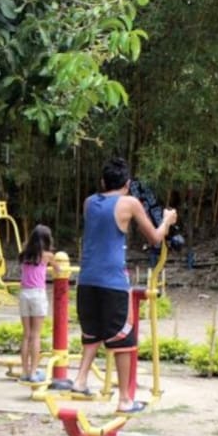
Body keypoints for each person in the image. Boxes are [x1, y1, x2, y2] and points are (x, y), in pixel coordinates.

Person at [71, 158, 177, 414]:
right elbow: (153, 238)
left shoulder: (88, 203)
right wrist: (167, 220)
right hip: (112, 283)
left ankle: (80, 380)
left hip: (86, 281)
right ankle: (125, 401)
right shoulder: (129, 203)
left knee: (92, 333)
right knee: (123, 341)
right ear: (127, 184)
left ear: (102, 182)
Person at [17, 224, 56, 383]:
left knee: (26, 335)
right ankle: (34, 372)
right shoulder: (47, 256)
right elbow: (59, 269)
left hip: (24, 294)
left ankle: (25, 371)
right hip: (37, 294)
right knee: (36, 335)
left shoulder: (24, 255)